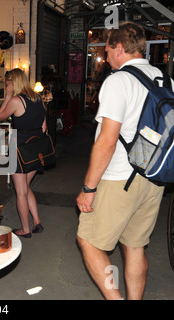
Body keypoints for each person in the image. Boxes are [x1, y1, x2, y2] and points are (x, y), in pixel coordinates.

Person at [76, 21, 172, 300]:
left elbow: (107, 141)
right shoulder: (165, 80)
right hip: (153, 175)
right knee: (135, 246)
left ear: (119, 48)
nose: (105, 58)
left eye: (107, 51)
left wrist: (89, 188)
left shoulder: (118, 81)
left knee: (89, 241)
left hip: (120, 177)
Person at [0, 68, 46, 238]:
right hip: (36, 147)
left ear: (12, 82)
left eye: (7, 82)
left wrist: (8, 95)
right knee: (25, 187)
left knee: (21, 192)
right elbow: (44, 127)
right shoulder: (38, 98)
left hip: (19, 148)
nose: (6, 85)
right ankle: (37, 222)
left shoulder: (17, 100)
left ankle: (25, 229)